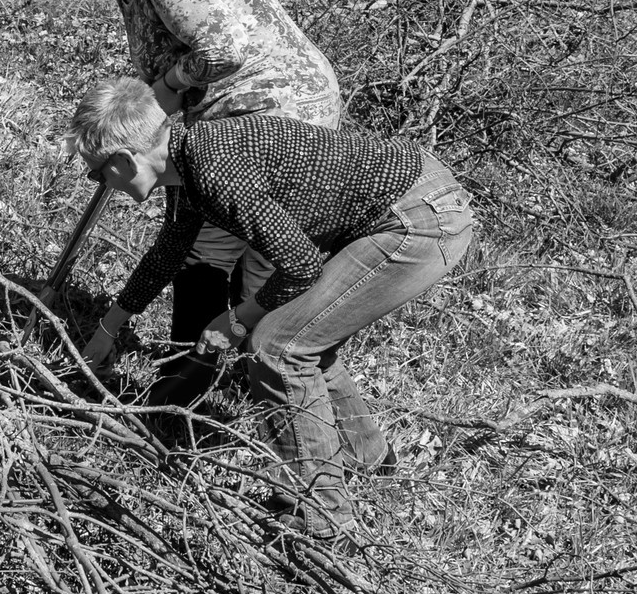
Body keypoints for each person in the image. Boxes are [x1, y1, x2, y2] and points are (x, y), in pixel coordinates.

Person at [67, 78, 474, 540]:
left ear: (125, 160)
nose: (99, 184)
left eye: (97, 173)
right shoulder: (186, 162)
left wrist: (236, 320)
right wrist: (108, 328)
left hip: (419, 218)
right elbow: (168, 253)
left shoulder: (214, 168)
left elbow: (299, 265)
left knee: (278, 346)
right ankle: (369, 458)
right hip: (418, 196)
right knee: (306, 335)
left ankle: (319, 520)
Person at [33, 0, 341, 380]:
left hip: (273, 113)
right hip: (233, 116)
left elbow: (224, 49)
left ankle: (208, 382)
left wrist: (174, 83)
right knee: (204, 242)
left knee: (222, 250)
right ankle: (220, 375)